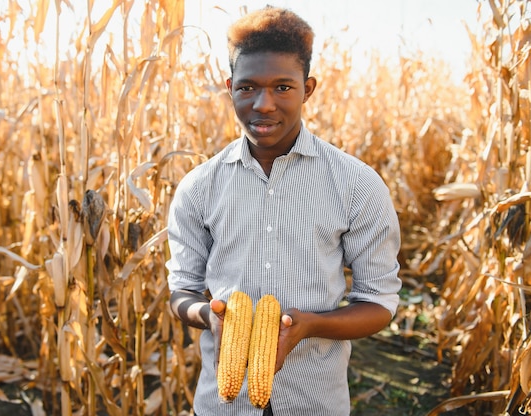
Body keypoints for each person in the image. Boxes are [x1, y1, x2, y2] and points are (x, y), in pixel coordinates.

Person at [166, 6, 402, 415]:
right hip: (225, 402)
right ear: (230, 87)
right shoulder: (199, 187)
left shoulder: (356, 184)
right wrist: (208, 315)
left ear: (308, 88)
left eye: (282, 87)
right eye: (248, 88)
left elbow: (379, 303)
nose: (264, 105)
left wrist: (310, 325)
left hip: (315, 398)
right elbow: (181, 292)